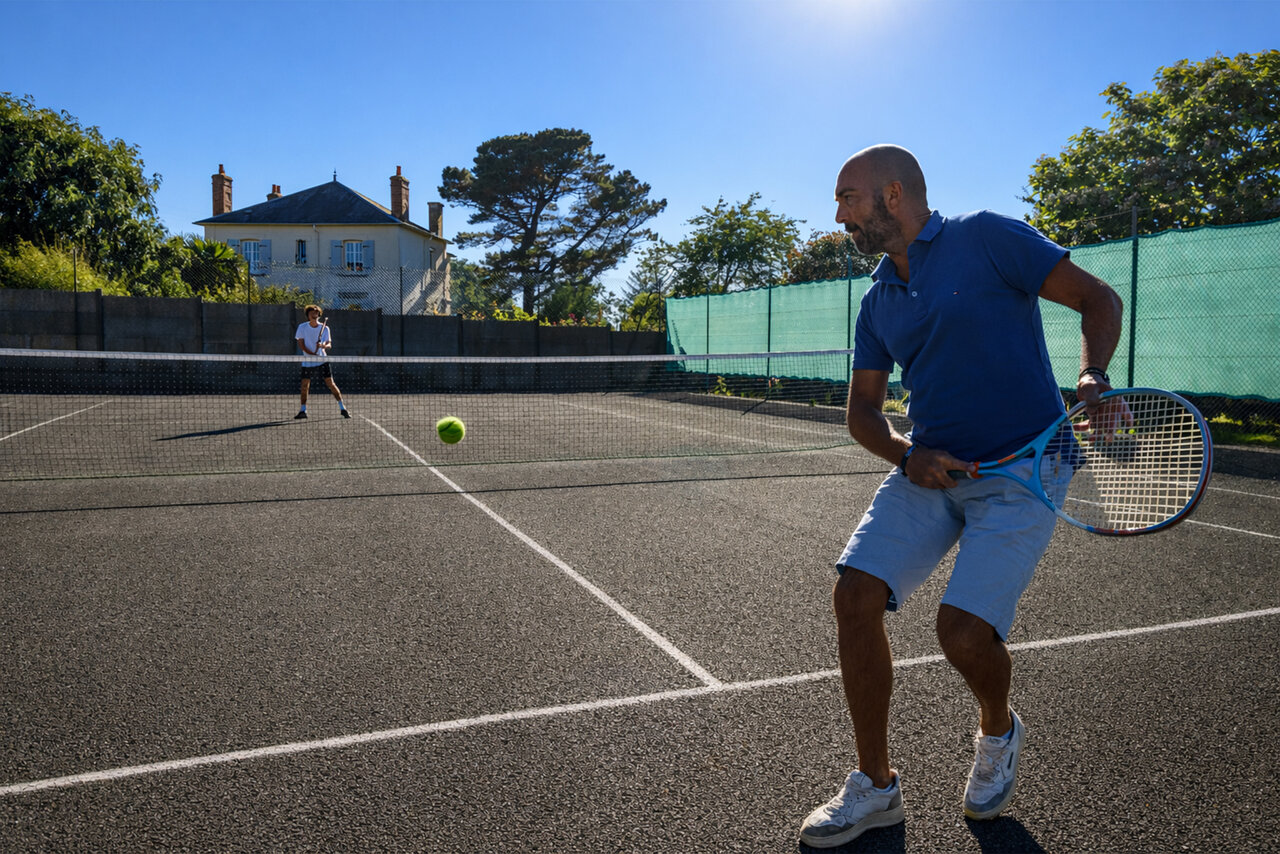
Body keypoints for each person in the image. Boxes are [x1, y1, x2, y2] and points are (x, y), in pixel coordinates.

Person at [799, 145, 1123, 848]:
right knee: (853, 594)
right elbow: (862, 413)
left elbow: (1100, 297)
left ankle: (998, 731)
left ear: (892, 195)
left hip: (1026, 471)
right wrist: (907, 456)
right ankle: (876, 786)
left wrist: (1093, 376)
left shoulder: (987, 237)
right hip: (934, 470)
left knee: (962, 633)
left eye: (847, 197)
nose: (838, 214)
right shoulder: (877, 298)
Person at [294, 305, 350, 419]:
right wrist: (311, 353)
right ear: (308, 315)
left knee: (331, 384)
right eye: (311, 312)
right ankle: (303, 410)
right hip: (308, 361)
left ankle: (343, 408)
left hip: (322, 361)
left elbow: (329, 344)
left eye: (316, 312)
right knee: (305, 385)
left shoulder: (325, 328)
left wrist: (323, 345)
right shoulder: (302, 327)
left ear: (319, 314)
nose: (314, 314)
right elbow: (301, 344)